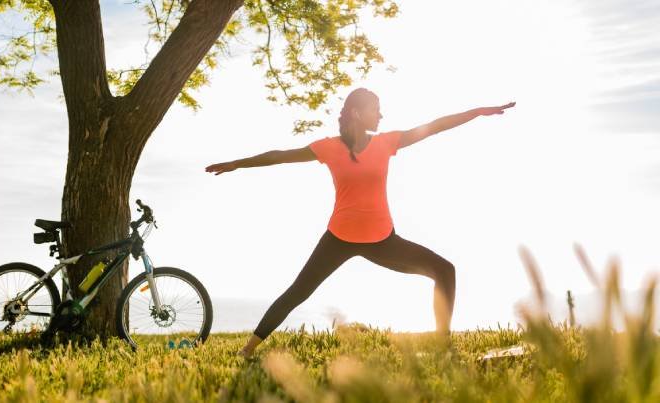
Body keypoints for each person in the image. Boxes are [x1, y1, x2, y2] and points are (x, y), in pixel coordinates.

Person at [205, 88, 515, 359]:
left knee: (444, 270)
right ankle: (248, 348)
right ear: (356, 112)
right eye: (375, 109)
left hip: (382, 240)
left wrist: (476, 112)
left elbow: (434, 127)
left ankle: (443, 344)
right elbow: (280, 156)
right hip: (339, 238)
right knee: (298, 292)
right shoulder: (329, 148)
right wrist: (237, 164)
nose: (381, 114)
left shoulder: (387, 143)